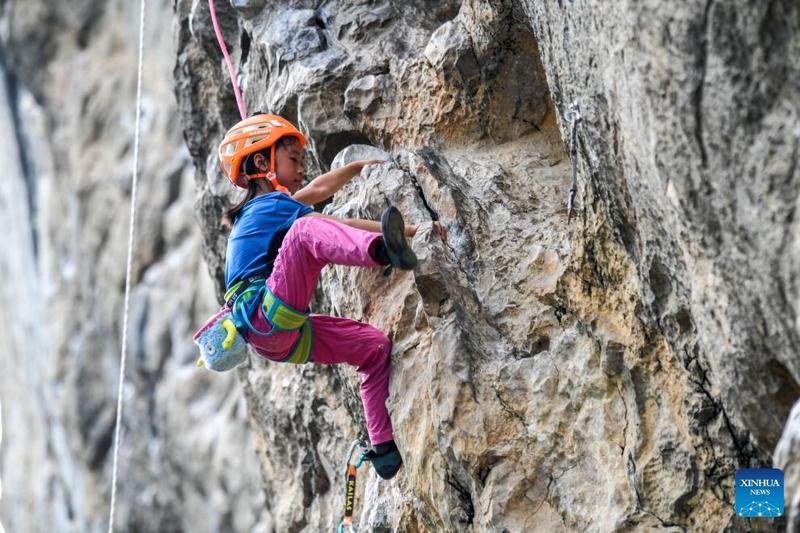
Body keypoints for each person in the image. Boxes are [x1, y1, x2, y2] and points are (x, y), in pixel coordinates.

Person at [216, 113, 447, 480]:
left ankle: (383, 448)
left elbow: (320, 195)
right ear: (262, 163)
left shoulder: (263, 211)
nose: (300, 170)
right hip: (266, 313)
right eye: (293, 161)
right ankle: (384, 251)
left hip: (277, 338)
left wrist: (356, 169)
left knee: (372, 348)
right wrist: (403, 235)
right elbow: (329, 216)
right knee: (309, 230)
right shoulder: (271, 207)